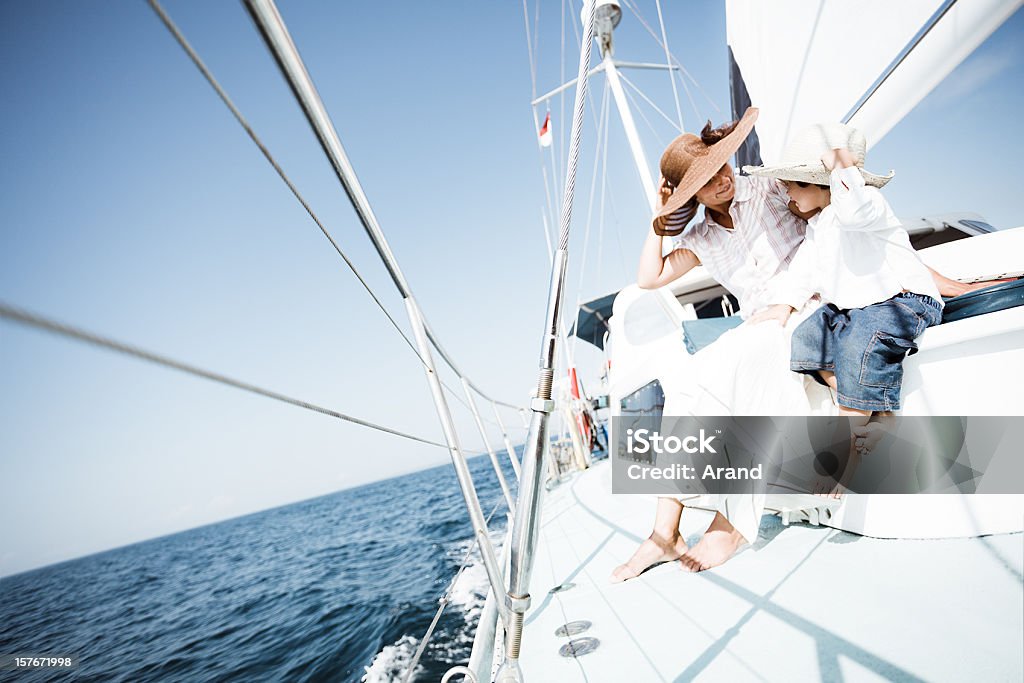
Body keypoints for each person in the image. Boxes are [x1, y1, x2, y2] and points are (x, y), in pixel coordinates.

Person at [611, 112, 996, 581]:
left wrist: (942, 284)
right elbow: (648, 278)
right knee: (691, 379)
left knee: (755, 366)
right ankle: (664, 531)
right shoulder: (701, 239)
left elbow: (852, 226)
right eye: (706, 181)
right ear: (690, 195)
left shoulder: (772, 190)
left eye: (721, 168)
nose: (722, 181)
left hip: (815, 305)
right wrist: (661, 212)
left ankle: (728, 523)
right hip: (763, 320)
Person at [744, 123, 942, 492]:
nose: (786, 191)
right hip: (856, 309)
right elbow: (804, 270)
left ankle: (844, 448)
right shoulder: (820, 225)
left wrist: (842, 168)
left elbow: (855, 211)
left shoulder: (865, 204)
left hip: (903, 301)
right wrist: (784, 306)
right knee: (805, 337)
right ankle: (875, 409)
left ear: (823, 183)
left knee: (858, 346)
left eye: (793, 182)